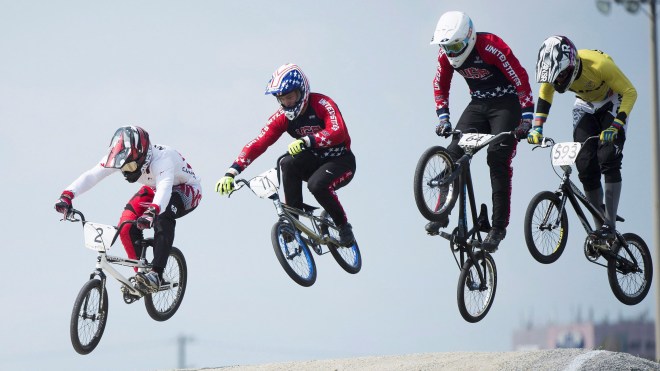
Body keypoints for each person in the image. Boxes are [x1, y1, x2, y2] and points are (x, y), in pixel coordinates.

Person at [425, 11, 535, 252]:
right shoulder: (446, 54)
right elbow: (439, 84)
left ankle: (497, 227)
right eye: (447, 46)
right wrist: (443, 117)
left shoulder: (491, 46)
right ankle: (442, 212)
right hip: (478, 104)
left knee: (497, 158)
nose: (452, 52)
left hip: (507, 104)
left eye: (456, 45)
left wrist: (527, 116)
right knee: (452, 153)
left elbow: (520, 77)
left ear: (469, 37)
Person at [215, 63, 356, 246]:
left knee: (316, 185)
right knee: (287, 163)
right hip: (314, 162)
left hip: (341, 161)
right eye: (282, 99)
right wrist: (232, 172)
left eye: (290, 97)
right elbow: (258, 143)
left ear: (302, 91)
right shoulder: (282, 118)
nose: (287, 103)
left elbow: (339, 132)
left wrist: (308, 141)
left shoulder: (322, 104)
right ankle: (294, 220)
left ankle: (344, 226)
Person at [54, 126, 202, 291]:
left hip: (185, 189)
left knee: (163, 215)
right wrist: (67, 195)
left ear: (143, 157)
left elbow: (165, 190)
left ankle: (156, 274)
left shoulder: (163, 160)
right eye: (123, 168)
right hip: (154, 187)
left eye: (130, 167)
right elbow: (92, 175)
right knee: (125, 225)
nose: (126, 172)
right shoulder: (121, 156)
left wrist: (152, 212)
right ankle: (141, 276)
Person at [529, 35, 637, 240]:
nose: (558, 81)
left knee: (607, 157)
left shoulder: (599, 65)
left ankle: (610, 225)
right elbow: (545, 96)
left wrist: (616, 125)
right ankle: (600, 229)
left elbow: (630, 92)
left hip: (612, 99)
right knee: (585, 165)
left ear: (571, 66)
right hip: (585, 104)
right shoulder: (554, 73)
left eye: (560, 76)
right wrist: (537, 128)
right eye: (554, 78)